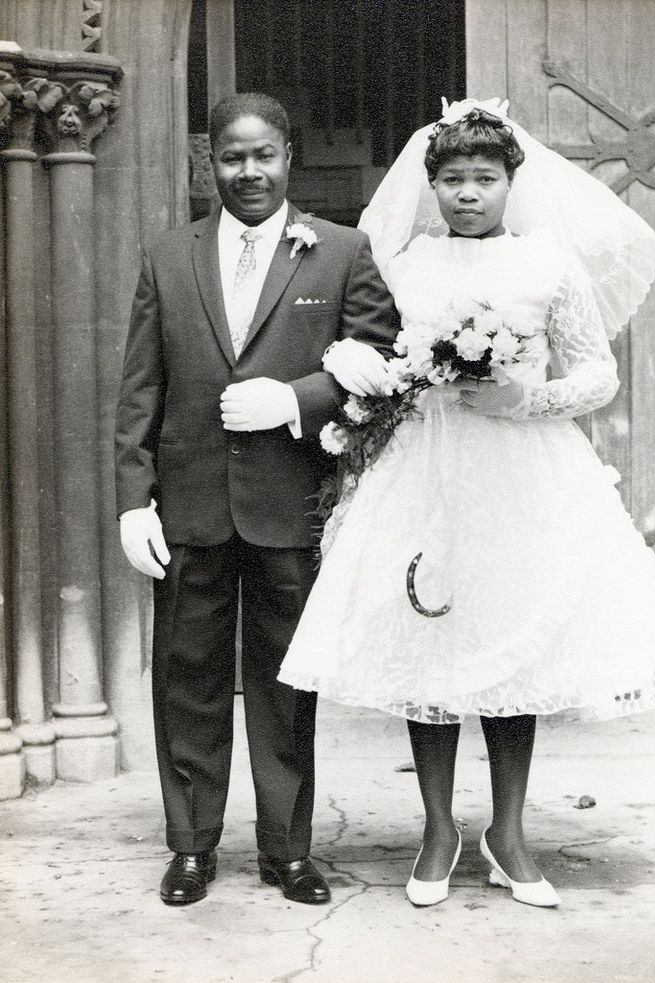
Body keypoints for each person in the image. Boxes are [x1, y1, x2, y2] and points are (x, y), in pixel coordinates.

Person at [278, 99, 655, 908]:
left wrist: (520, 399)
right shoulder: (404, 265)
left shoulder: (547, 265)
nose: (468, 193)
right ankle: (438, 827)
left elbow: (595, 375)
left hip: (520, 469)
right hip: (423, 467)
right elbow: (380, 358)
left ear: (511, 182)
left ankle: (507, 830)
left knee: (510, 640)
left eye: (484, 178)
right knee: (429, 642)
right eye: (453, 179)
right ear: (429, 186)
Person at [115, 92, 398, 906]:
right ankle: (192, 846)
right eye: (231, 158)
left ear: (288, 157)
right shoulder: (168, 255)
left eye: (262, 155)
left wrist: (297, 400)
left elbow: (384, 367)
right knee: (188, 679)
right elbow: (141, 388)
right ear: (210, 162)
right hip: (191, 507)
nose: (247, 172)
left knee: (284, 685)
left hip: (291, 505)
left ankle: (287, 850)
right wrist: (136, 499)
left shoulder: (341, 251)